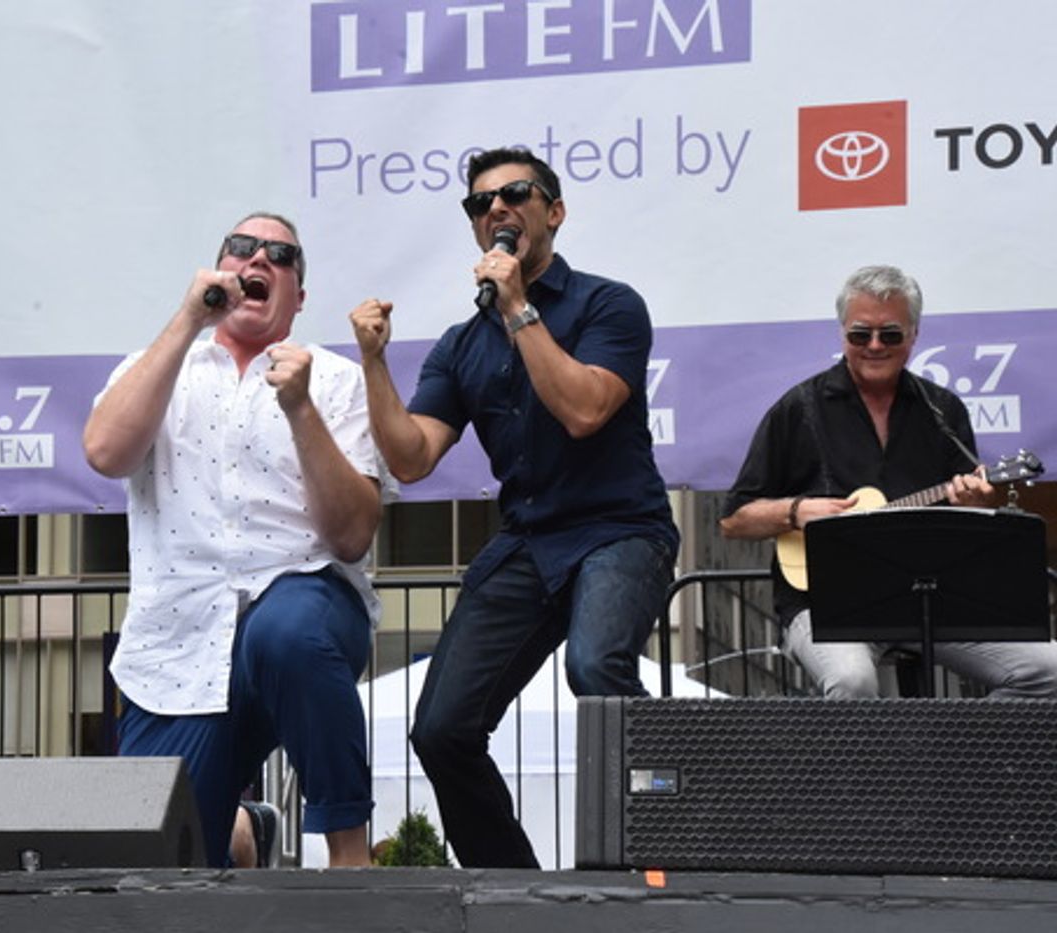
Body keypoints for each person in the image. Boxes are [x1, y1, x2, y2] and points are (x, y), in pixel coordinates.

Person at [349, 148, 680, 868]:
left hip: (619, 529)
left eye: (515, 194)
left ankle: (656, 860)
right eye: (479, 204)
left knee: (596, 671)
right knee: (441, 728)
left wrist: (519, 309)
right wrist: (374, 362)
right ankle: (512, 890)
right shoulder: (461, 343)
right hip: (529, 543)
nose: (495, 209)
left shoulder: (608, 304)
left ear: (553, 212)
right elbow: (410, 456)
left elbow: (587, 410)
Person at [83, 211, 390, 868]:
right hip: (178, 644)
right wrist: (188, 320)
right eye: (244, 248)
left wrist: (300, 407)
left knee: (284, 631)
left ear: (298, 296)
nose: (260, 260)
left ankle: (348, 851)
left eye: (281, 254)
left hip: (304, 601)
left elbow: (352, 534)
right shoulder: (157, 364)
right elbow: (105, 451)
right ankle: (244, 831)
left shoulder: (333, 380)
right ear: (219, 271)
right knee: (155, 868)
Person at [720, 264, 1057, 698]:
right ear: (843, 333)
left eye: (890, 334)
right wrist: (796, 511)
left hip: (930, 601)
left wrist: (976, 502)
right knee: (852, 681)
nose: (875, 346)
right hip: (826, 606)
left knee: (1050, 671)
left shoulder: (942, 410)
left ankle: (968, 757)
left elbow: (970, 521)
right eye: (861, 334)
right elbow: (733, 520)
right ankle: (865, 770)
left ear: (914, 336)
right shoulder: (798, 408)